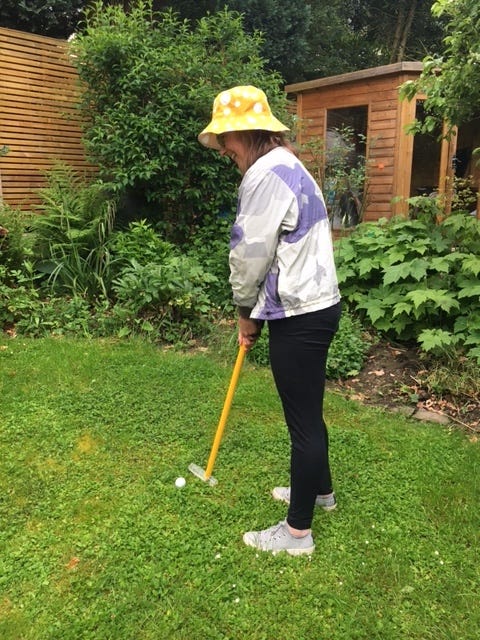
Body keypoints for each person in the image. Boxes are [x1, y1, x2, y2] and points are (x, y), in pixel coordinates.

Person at [198, 86, 342, 556]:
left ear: (243, 132)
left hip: (301, 313)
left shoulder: (264, 174)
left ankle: (297, 533)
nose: (224, 150)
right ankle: (320, 494)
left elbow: (249, 254)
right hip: (317, 305)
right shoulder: (289, 164)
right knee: (308, 412)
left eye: (226, 140)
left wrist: (245, 316)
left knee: (301, 422)